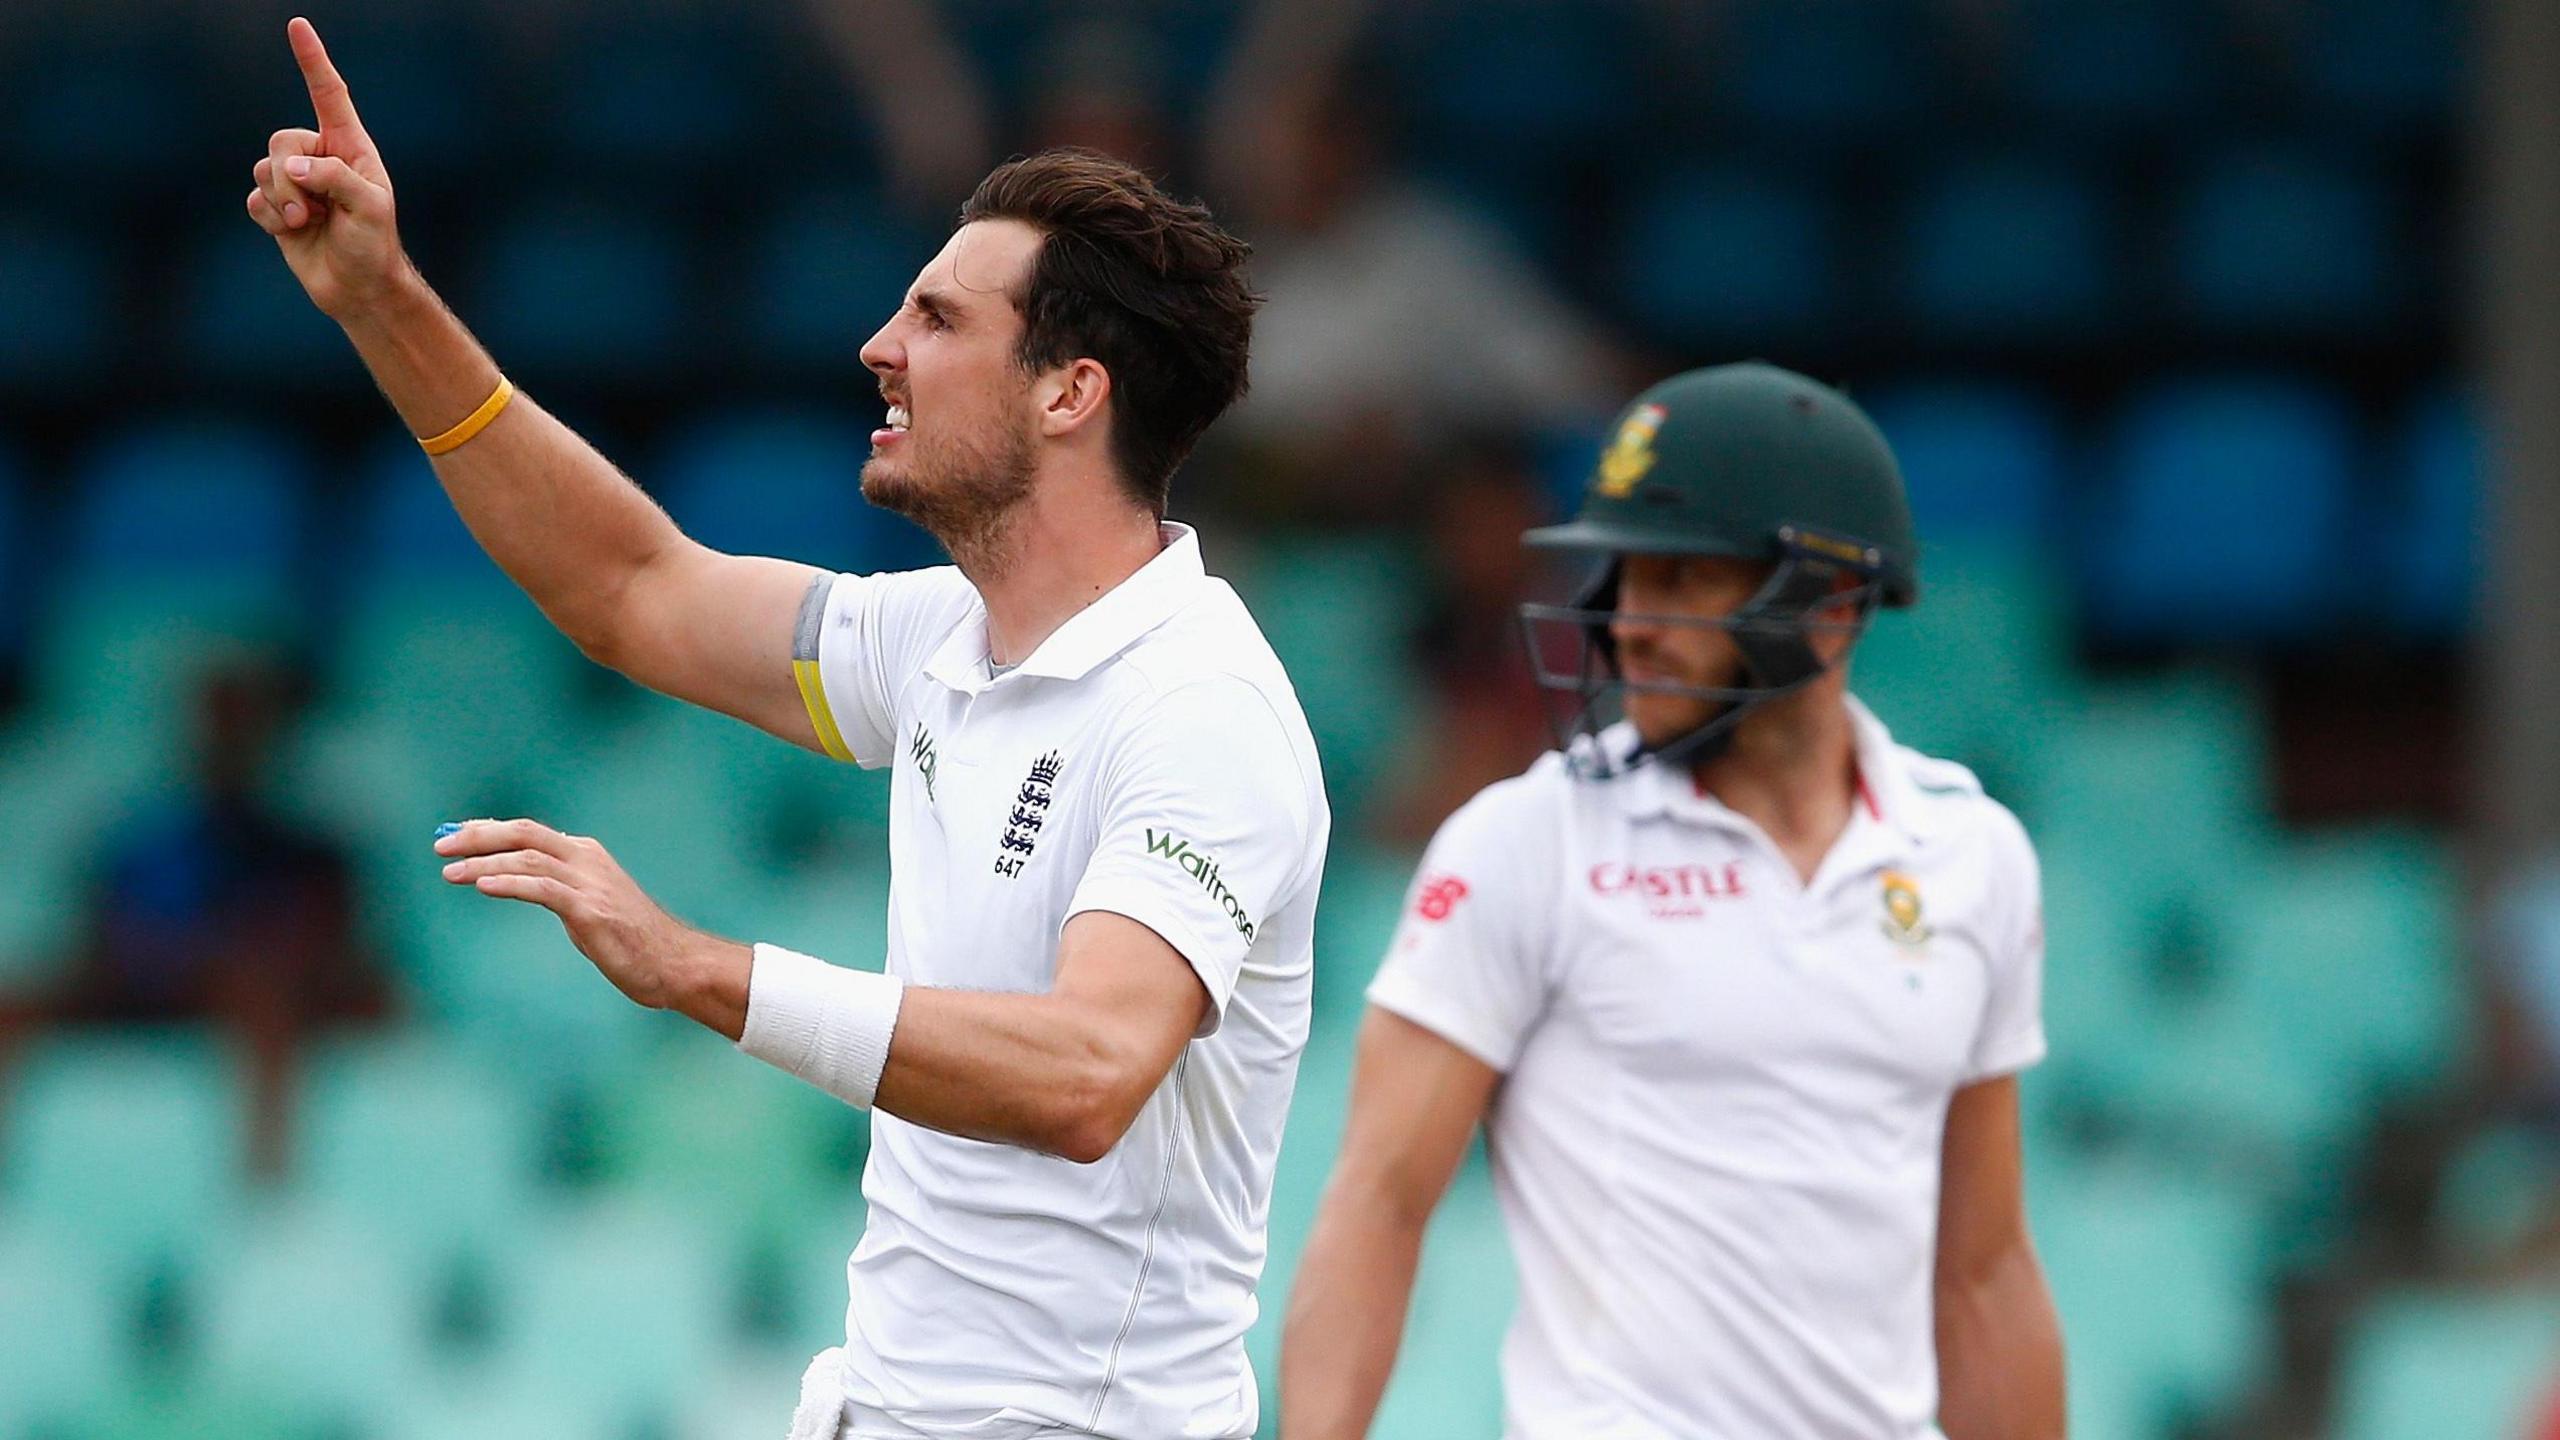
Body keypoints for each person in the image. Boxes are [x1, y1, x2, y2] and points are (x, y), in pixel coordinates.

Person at [243, 20, 1328, 1440]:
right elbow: (634, 588)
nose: (879, 347)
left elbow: (1084, 1076)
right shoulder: (943, 638)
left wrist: (700, 970)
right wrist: (381, 301)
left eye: (939, 320)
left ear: (1072, 392)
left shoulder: (1202, 705)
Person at [1278, 363, 2065, 1438]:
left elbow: (1983, 1273)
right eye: (1624, 578)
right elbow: (1378, 1202)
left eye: (1685, 581)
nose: (1629, 624)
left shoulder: (1972, 856)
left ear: (1832, 606)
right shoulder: (1525, 841)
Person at [0, 659, 390, 1180]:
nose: (225, 737)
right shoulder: (139, 842)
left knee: (259, 993)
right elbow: (100, 938)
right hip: (148, 982)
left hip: (265, 998)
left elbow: (337, 952)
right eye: (215, 720)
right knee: (13, 1006)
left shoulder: (312, 850)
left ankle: (266, 1188)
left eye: (241, 720)